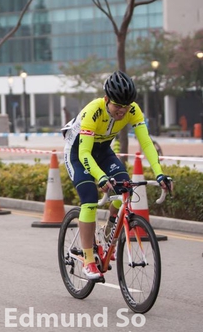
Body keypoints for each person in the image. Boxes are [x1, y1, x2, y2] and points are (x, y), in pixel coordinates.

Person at [62, 70, 173, 280]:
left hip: (103, 151)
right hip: (77, 154)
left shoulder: (133, 109)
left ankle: (109, 231)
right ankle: (88, 260)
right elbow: (84, 153)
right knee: (89, 200)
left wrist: (159, 174)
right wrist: (100, 177)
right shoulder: (93, 111)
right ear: (106, 100)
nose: (122, 111)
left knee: (125, 187)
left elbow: (146, 143)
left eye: (126, 106)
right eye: (117, 106)